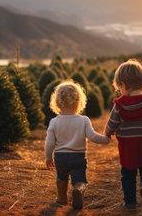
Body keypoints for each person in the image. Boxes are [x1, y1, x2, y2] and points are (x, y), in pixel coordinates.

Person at [104, 59, 142, 210]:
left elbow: (111, 124)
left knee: (128, 176)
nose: (119, 90)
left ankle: (130, 203)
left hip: (127, 149)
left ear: (124, 85)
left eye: (119, 87)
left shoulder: (119, 105)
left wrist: (107, 134)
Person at [45, 80, 110, 210]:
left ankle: (62, 198)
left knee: (61, 177)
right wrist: (106, 139)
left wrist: (48, 158)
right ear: (79, 101)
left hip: (60, 157)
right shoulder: (84, 120)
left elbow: (49, 143)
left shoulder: (54, 121)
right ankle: (78, 190)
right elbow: (93, 136)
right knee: (80, 180)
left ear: (57, 102)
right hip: (78, 157)